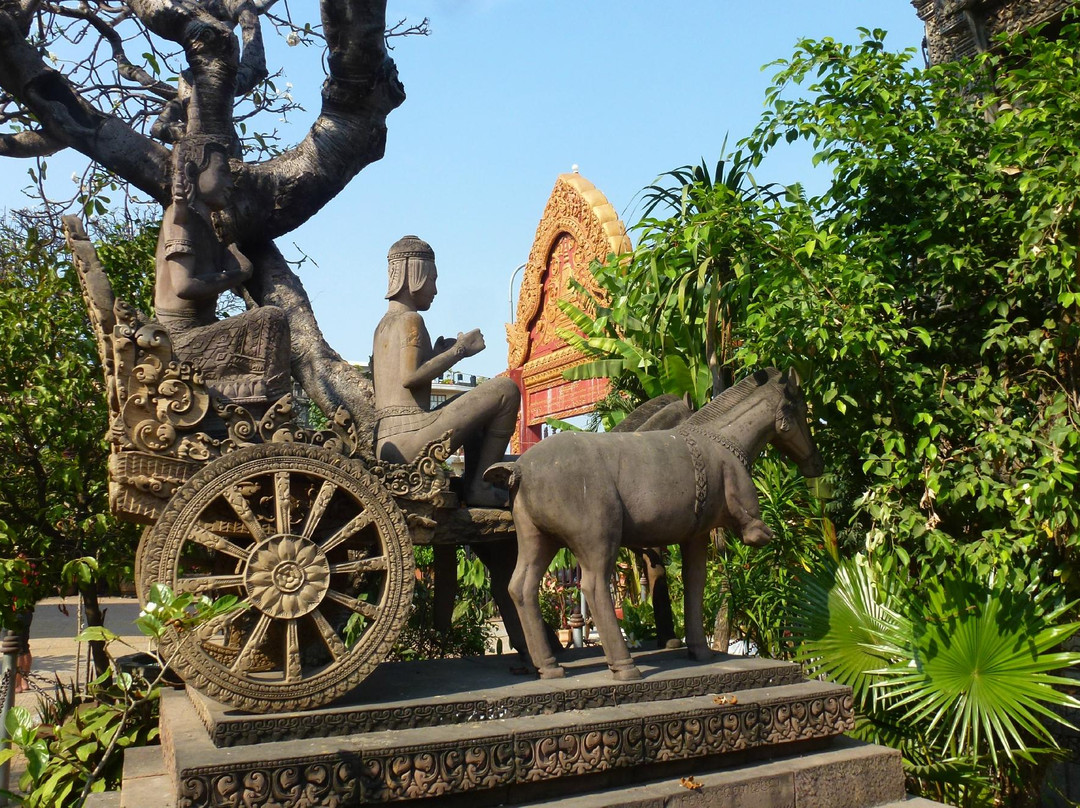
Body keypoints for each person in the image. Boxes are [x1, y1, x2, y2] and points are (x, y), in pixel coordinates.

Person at [373, 236, 520, 506]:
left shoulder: (384, 324)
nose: (436, 290)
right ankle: (482, 486)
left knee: (476, 406)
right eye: (433, 279)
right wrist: (459, 350)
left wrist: (437, 354)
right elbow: (410, 377)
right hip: (411, 435)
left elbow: (404, 375)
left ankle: (476, 480)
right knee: (505, 390)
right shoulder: (410, 320)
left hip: (386, 440)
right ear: (415, 274)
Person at [154, 134, 291, 407]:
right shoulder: (179, 216)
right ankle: (271, 401)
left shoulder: (208, 225)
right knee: (270, 319)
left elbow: (239, 263)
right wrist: (238, 274)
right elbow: (184, 286)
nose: (231, 183)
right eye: (223, 173)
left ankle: (269, 399)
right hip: (179, 342)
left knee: (267, 325)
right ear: (194, 173)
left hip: (201, 334)